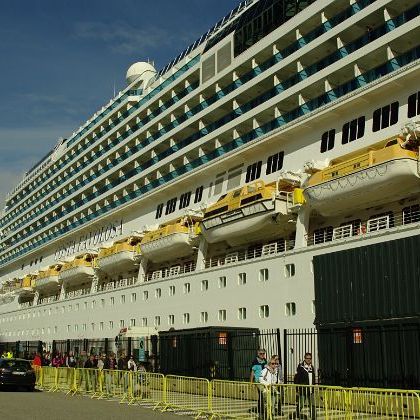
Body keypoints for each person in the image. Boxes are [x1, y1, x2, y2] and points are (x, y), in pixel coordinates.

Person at [294, 352, 317, 419]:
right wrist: (297, 389)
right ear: (304, 358)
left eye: (310, 358)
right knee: (301, 404)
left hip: (311, 389)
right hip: (303, 390)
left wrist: (313, 387)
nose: (309, 360)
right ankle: (297, 415)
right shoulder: (300, 367)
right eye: (307, 358)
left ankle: (313, 417)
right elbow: (296, 379)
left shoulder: (311, 367)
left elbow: (313, 378)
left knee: (312, 404)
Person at [250, 348, 267, 419]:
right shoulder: (255, 361)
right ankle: (261, 412)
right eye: (261, 353)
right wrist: (251, 382)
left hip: (264, 380)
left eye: (263, 353)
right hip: (258, 381)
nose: (262, 355)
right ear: (258, 354)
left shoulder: (265, 361)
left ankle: (264, 411)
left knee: (263, 396)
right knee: (262, 395)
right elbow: (252, 372)